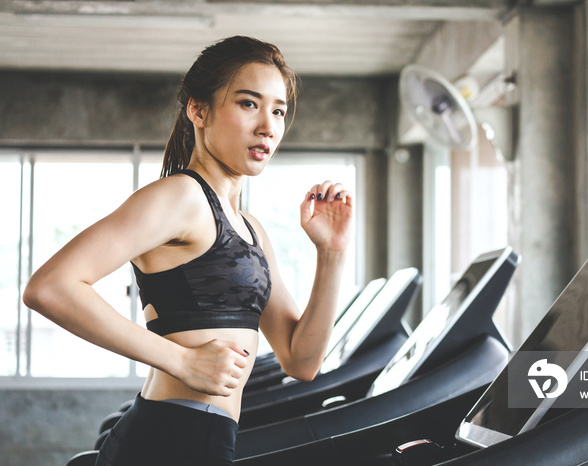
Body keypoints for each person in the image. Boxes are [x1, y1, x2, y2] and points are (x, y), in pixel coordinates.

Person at [23, 36, 353, 465]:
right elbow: (50, 287)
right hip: (168, 438)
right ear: (199, 110)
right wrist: (181, 360)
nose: (268, 127)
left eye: (278, 110)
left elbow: (301, 360)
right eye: (248, 104)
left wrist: (332, 253)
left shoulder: (251, 228)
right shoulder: (182, 196)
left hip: (208, 439)